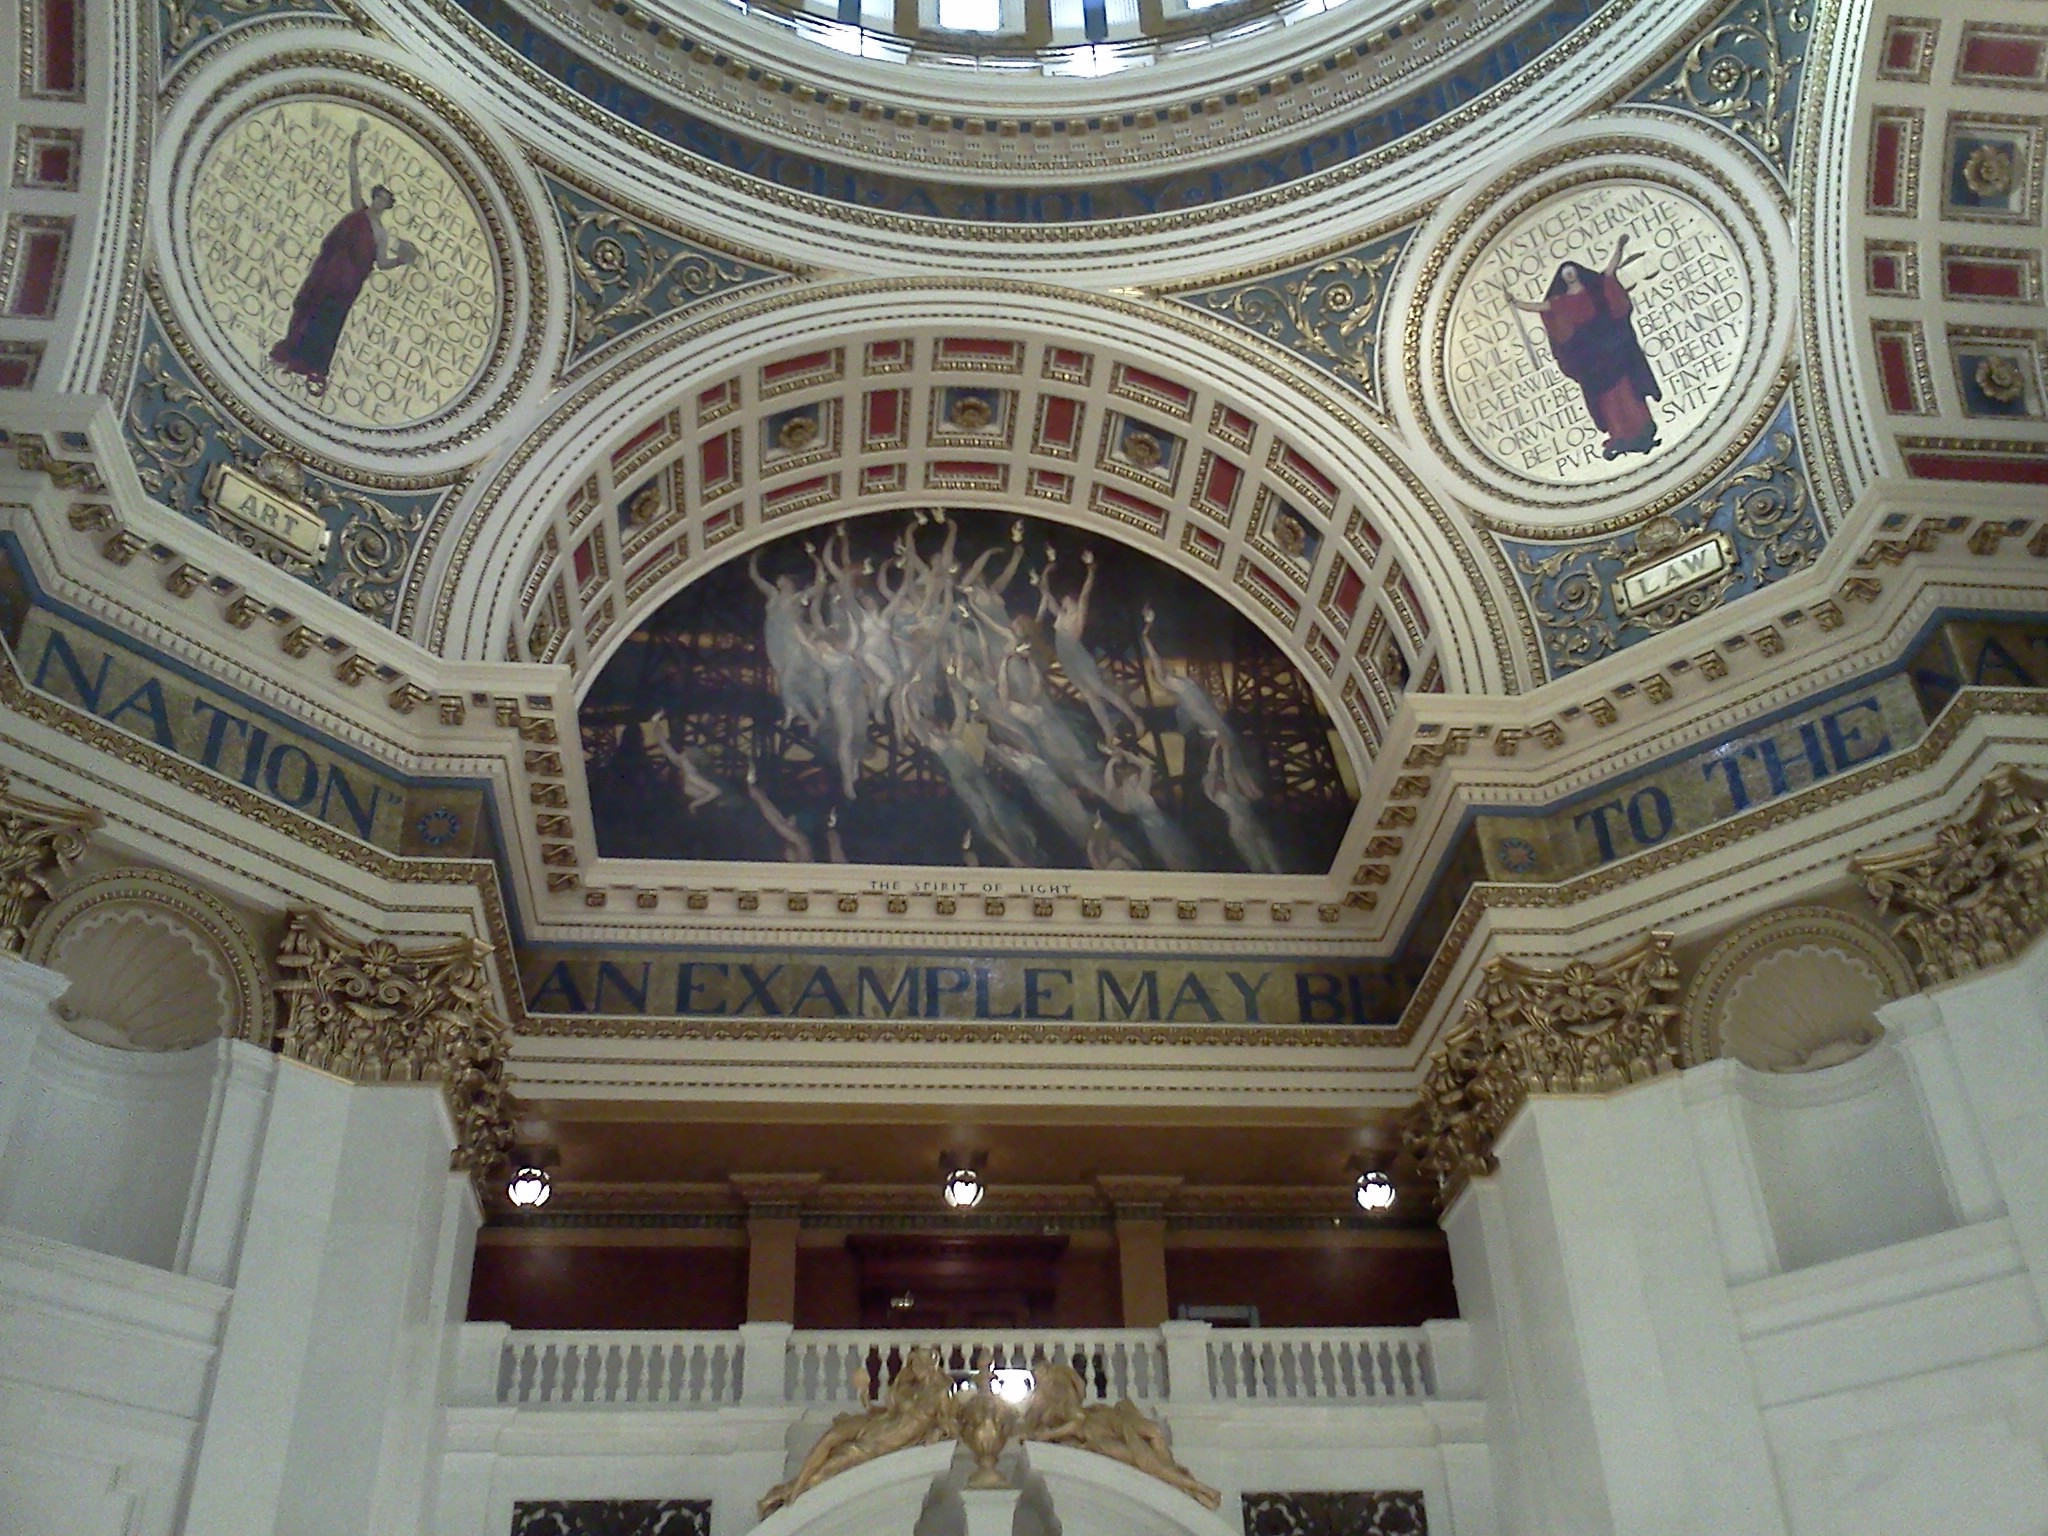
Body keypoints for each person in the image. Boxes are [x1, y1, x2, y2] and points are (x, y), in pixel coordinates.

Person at [270, 121, 418, 395]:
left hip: (346, 286)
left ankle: (314, 365)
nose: (379, 202)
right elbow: (353, 176)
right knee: (308, 310)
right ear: (373, 197)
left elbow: (382, 263)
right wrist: (354, 142)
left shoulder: (381, 233)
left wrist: (401, 261)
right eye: (378, 197)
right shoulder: (358, 210)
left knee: (328, 322)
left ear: (387, 206)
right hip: (327, 274)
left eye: (385, 201)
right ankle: (290, 352)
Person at [1509, 233, 1662, 460]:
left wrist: (1619, 246)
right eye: (1564, 272)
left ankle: (1642, 429)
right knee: (1607, 395)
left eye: (1571, 269)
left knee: (1626, 387)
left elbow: (1611, 268)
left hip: (1611, 345)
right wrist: (1516, 303)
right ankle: (1619, 436)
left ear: (1577, 271)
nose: (1568, 273)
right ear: (1562, 278)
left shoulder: (1596, 287)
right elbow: (1540, 307)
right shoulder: (1560, 302)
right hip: (1591, 355)